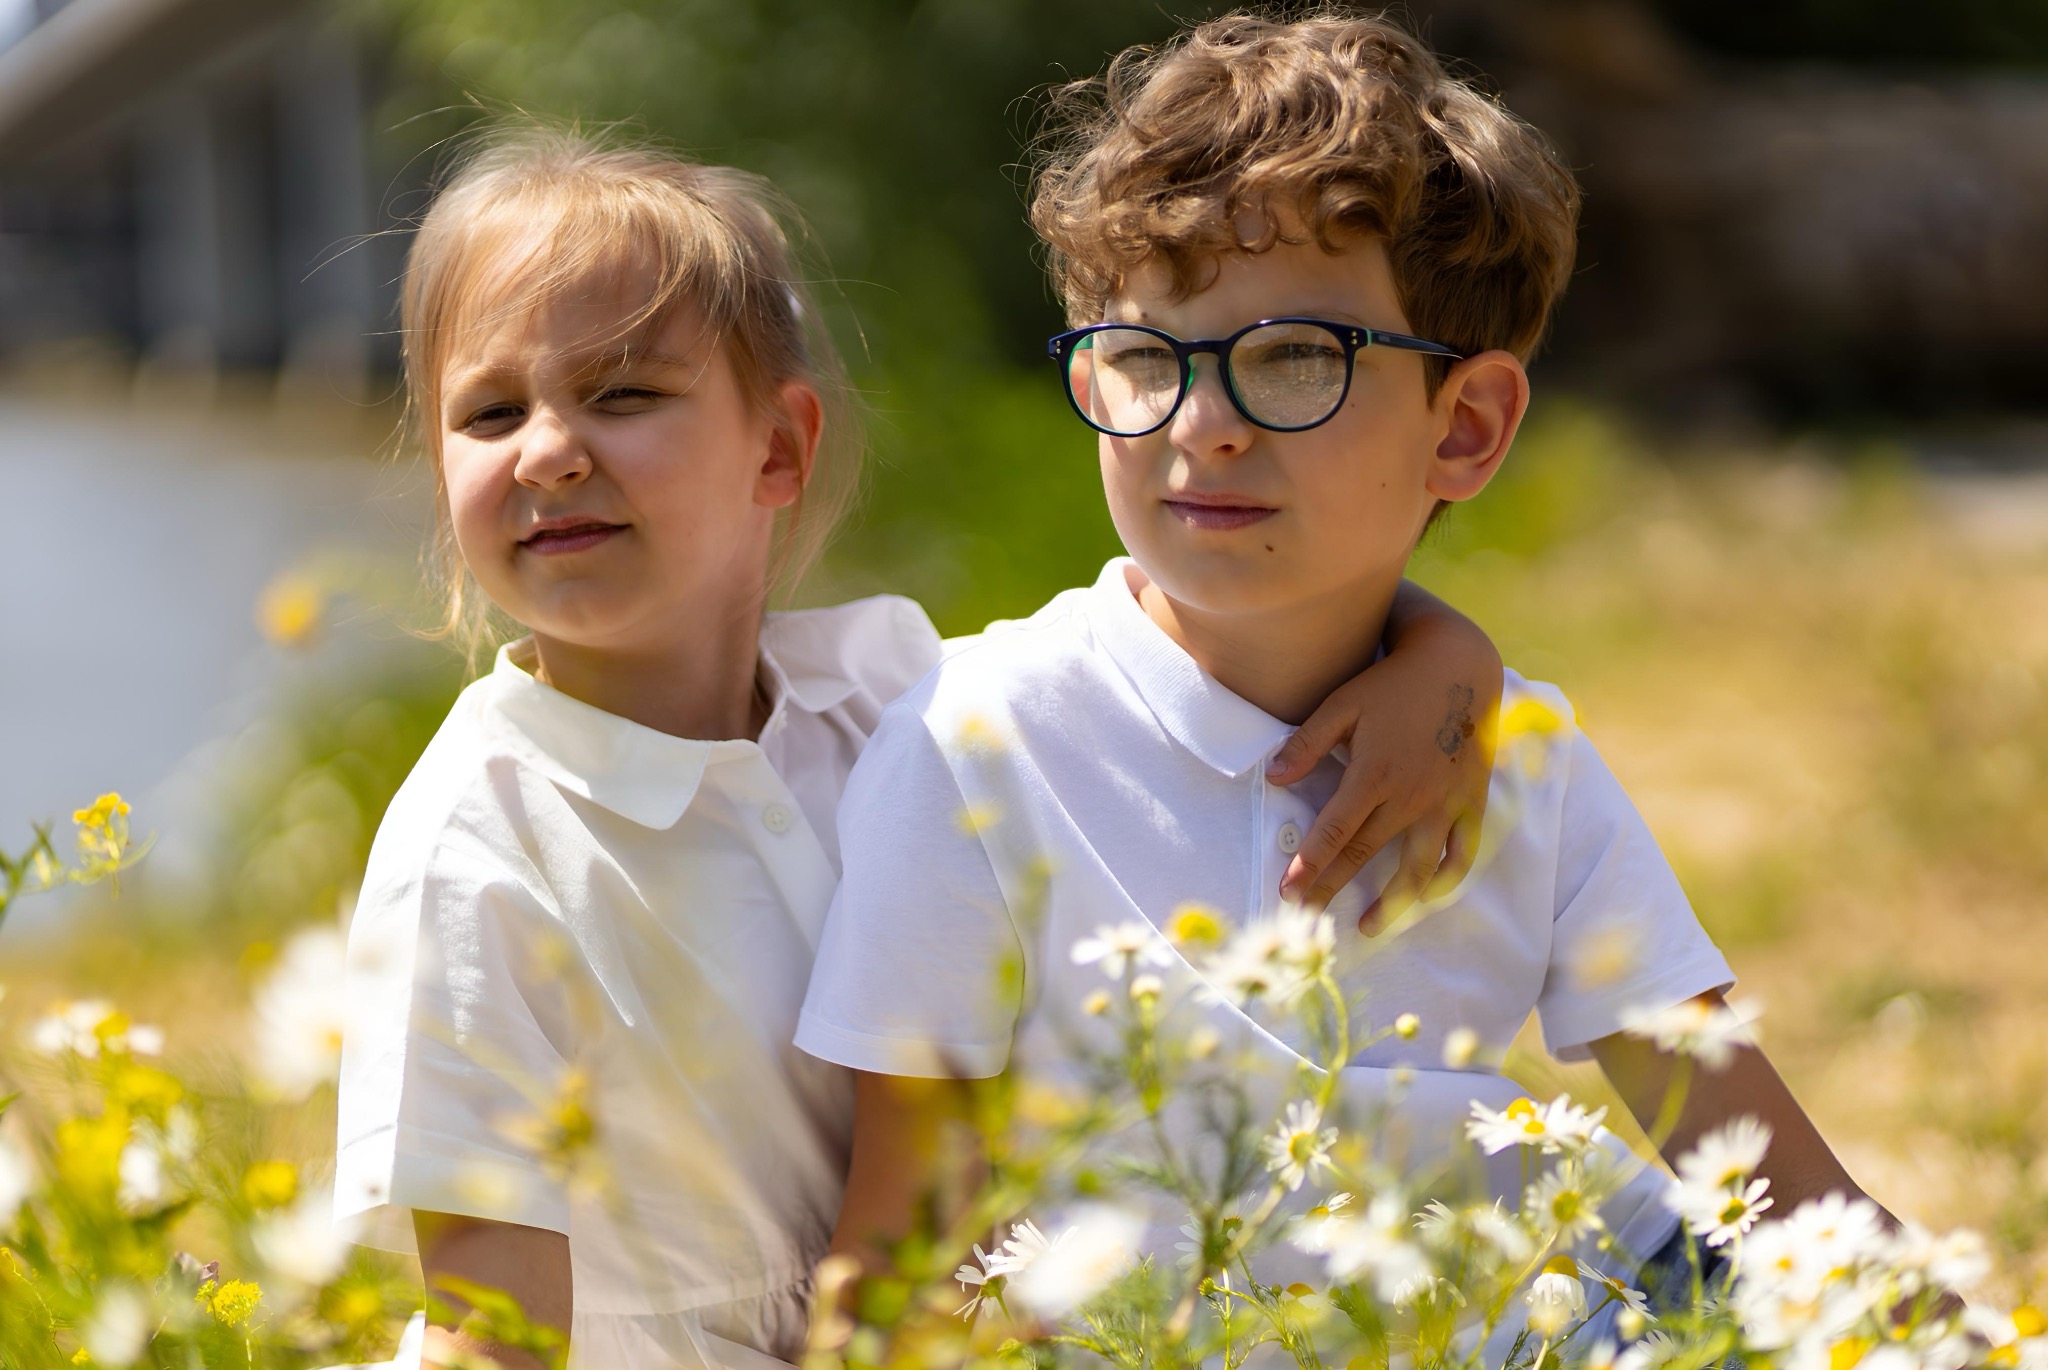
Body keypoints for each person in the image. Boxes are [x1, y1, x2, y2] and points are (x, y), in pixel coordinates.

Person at [332, 126, 1511, 1370]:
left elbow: (1175, 639)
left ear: (778, 448)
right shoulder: (475, 844)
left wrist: (1442, 653)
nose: (550, 448)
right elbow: (494, 1330)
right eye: (489, 411)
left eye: (623, 393)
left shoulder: (895, 688)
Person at [797, 7, 1891, 1328]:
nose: (1202, 426)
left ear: (1468, 426)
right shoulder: (977, 744)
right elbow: (905, 1248)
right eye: (1144, 358)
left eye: (1298, 359)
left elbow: (1765, 1171)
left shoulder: (1511, 756)